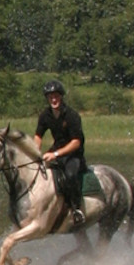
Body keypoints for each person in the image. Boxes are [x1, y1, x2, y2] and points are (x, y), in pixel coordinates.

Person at [34, 80, 86, 225]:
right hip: (56, 150)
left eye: (56, 96)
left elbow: (76, 142)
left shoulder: (71, 115)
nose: (54, 100)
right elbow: (38, 135)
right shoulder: (45, 115)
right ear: (47, 98)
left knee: (70, 175)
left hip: (73, 155)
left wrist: (55, 154)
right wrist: (35, 152)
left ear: (61, 97)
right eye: (51, 97)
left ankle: (76, 209)